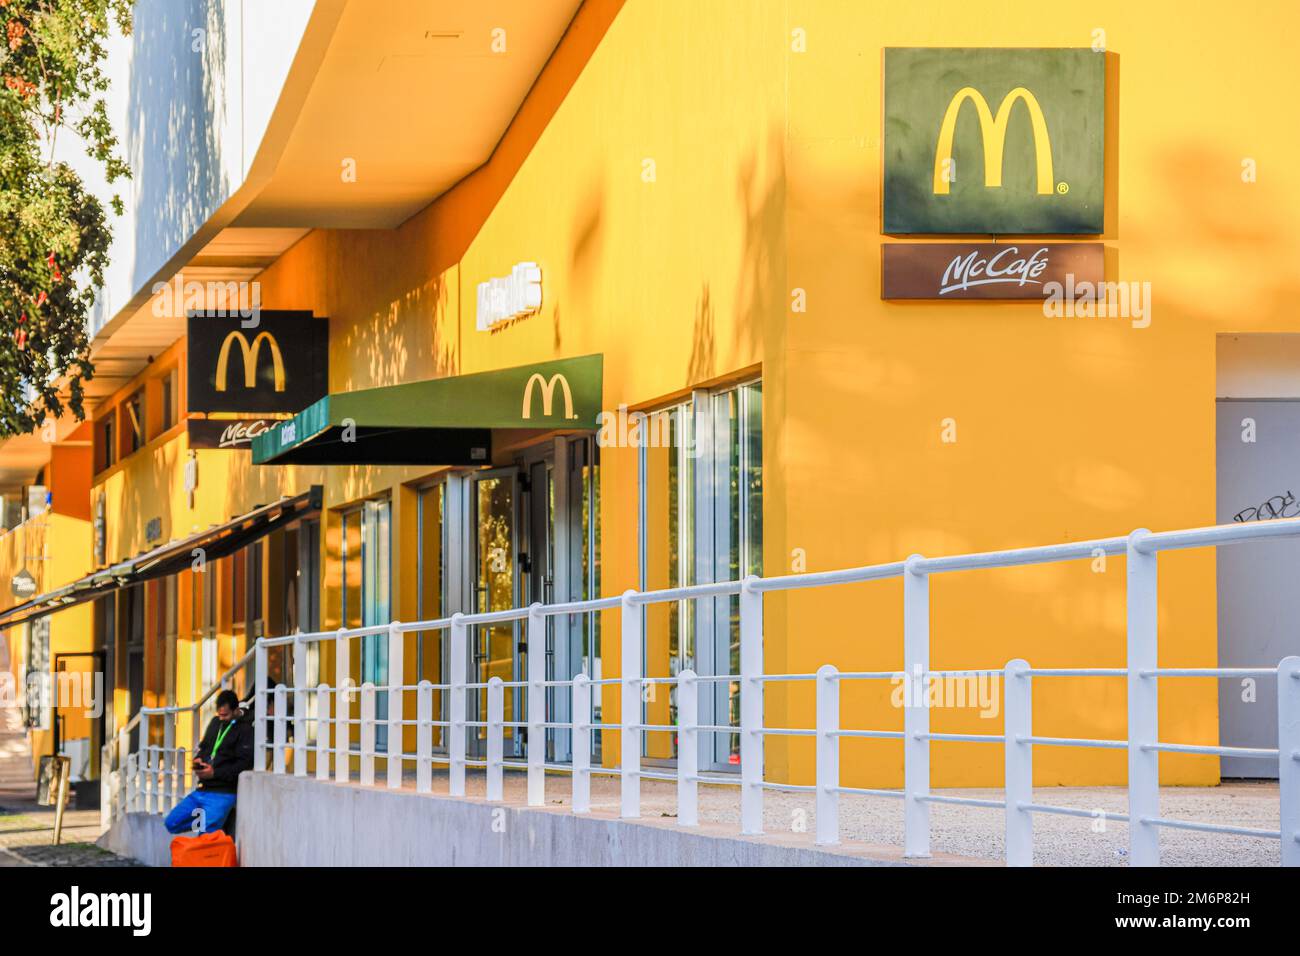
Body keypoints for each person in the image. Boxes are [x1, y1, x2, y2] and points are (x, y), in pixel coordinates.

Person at [163, 689, 254, 835]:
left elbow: (243, 764)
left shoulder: (246, 730)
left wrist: (215, 773)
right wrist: (199, 758)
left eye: (226, 715)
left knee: (205, 836)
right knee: (171, 823)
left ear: (236, 710)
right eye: (219, 714)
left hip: (223, 793)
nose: (222, 719)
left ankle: (211, 829)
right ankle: (212, 825)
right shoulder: (215, 722)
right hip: (203, 790)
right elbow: (205, 747)